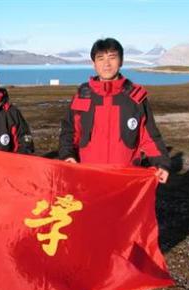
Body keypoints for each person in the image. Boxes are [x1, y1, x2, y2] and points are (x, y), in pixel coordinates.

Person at [58, 38, 170, 183]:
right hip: (88, 177)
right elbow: (70, 132)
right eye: (100, 58)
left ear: (121, 61)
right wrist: (67, 156)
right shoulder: (82, 95)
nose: (107, 64)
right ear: (94, 64)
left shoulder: (135, 97)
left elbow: (149, 137)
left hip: (126, 180)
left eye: (112, 57)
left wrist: (162, 164)